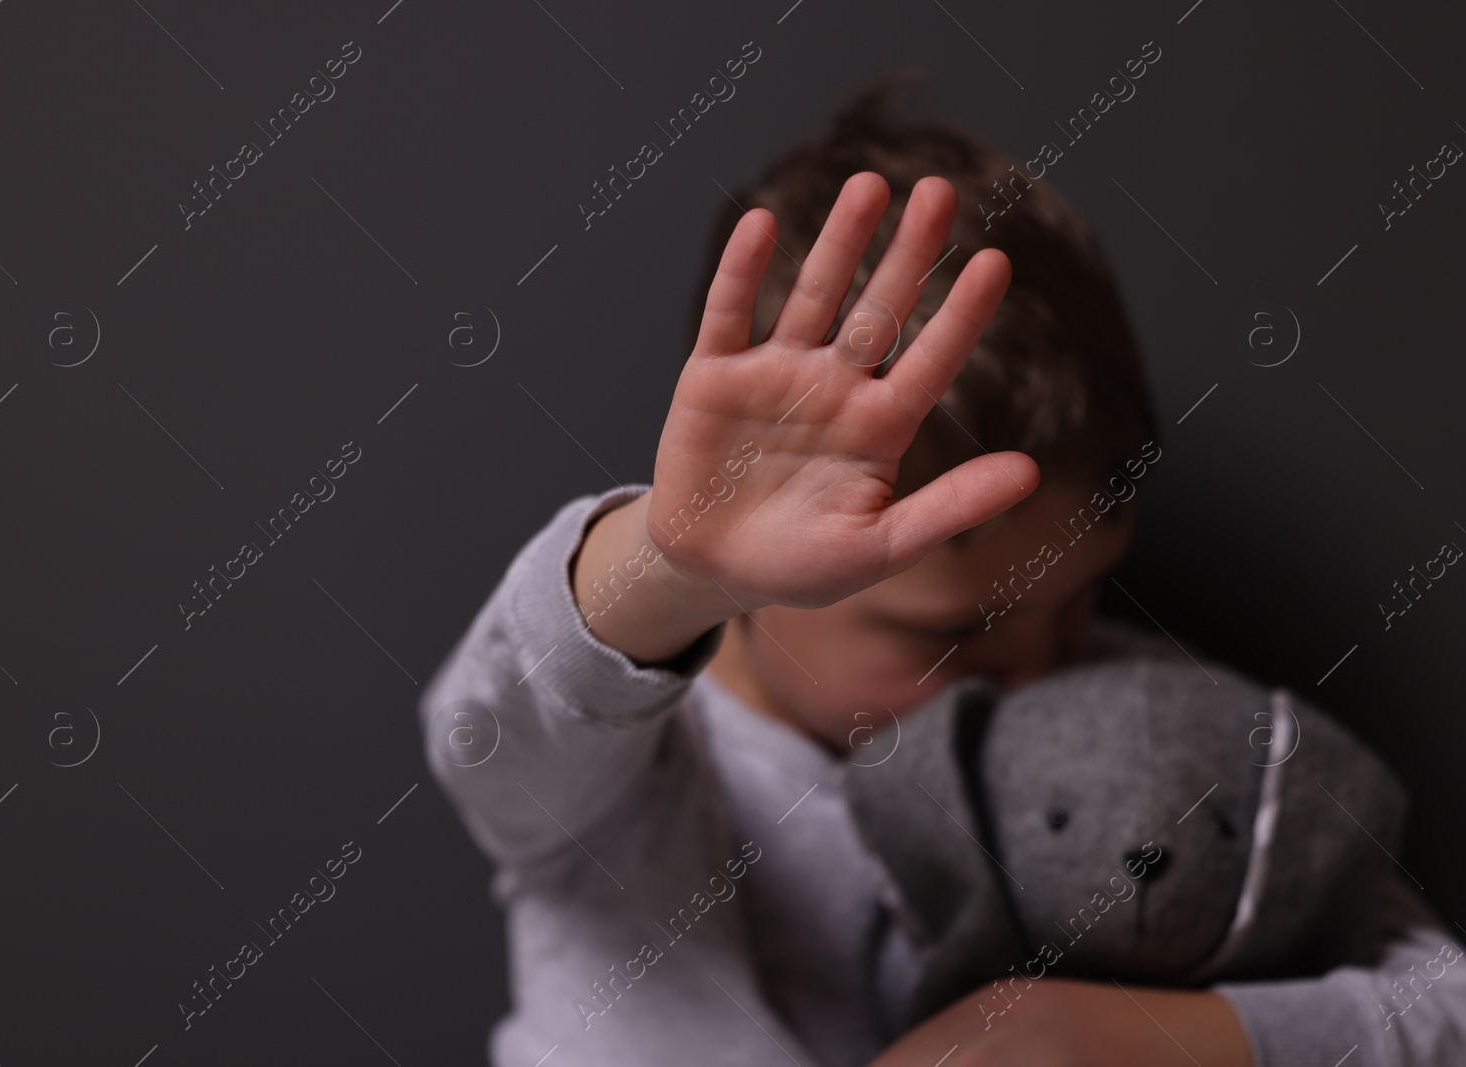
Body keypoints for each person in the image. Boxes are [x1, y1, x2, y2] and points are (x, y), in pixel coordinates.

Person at [418, 77, 1465, 1066]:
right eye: (949, 633)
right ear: (769, 575)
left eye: (1077, 599)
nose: (1036, 674)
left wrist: (1176, 1037)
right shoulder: (628, 775)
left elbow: (1443, 1001)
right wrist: (672, 561)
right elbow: (497, 726)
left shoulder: (1134, 712)